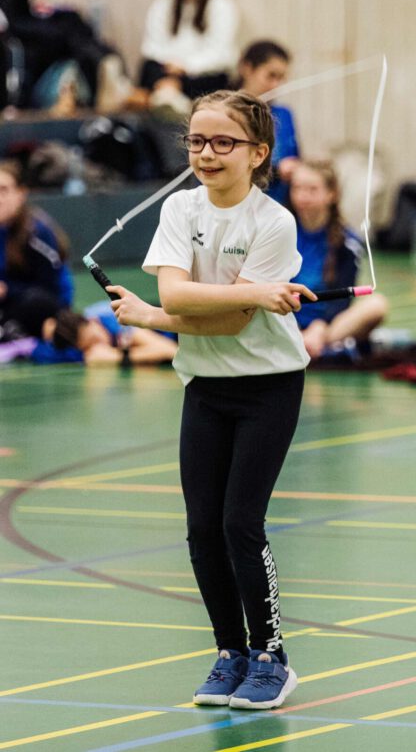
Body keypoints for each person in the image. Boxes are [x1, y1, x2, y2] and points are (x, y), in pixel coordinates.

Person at [108, 89, 312, 709]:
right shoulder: (180, 210)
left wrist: (158, 312)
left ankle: (272, 656)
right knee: (201, 529)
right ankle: (230, 653)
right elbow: (177, 299)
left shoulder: (274, 223)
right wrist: (241, 294)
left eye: (224, 142)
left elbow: (224, 323)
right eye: (197, 141)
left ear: (258, 153)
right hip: (204, 386)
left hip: (268, 386)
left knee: (239, 523)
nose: (207, 153)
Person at [0, 0, 132, 113]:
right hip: (9, 25)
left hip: (23, 17)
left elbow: (24, 1)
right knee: (60, 33)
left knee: (72, 18)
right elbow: (9, 13)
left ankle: (103, 59)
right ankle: (100, 64)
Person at [288, 159, 388, 360]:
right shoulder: (279, 232)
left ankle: (311, 345)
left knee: (377, 305)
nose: (302, 196)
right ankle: (315, 347)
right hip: (285, 320)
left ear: (331, 194)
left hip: (327, 326)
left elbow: (342, 298)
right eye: (297, 188)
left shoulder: (347, 243)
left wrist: (319, 327)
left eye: (312, 189)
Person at [139, 0, 238, 115]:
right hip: (167, 69)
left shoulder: (221, 4)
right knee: (149, 68)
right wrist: (172, 66)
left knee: (214, 79)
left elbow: (221, 51)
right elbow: (151, 45)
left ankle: (171, 97)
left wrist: (186, 66)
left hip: (200, 74)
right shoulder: (163, 3)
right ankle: (169, 96)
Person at [0, 159, 72, 339]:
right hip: (8, 305)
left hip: (44, 307)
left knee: (34, 301)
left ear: (21, 193)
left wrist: (7, 290)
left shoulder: (37, 234)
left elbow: (49, 291)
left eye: (4, 190)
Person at [237, 40, 299, 204]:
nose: (276, 85)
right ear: (247, 68)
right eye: (271, 76)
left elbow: (295, 158)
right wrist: (278, 170)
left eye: (281, 78)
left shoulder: (284, 115)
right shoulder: (223, 113)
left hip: (278, 207)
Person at [38, 303, 177, 365]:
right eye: (88, 346)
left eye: (95, 339)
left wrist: (116, 357)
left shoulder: (114, 318)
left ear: (93, 321)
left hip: (180, 331)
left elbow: (170, 350)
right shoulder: (77, 351)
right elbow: (37, 349)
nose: (101, 345)